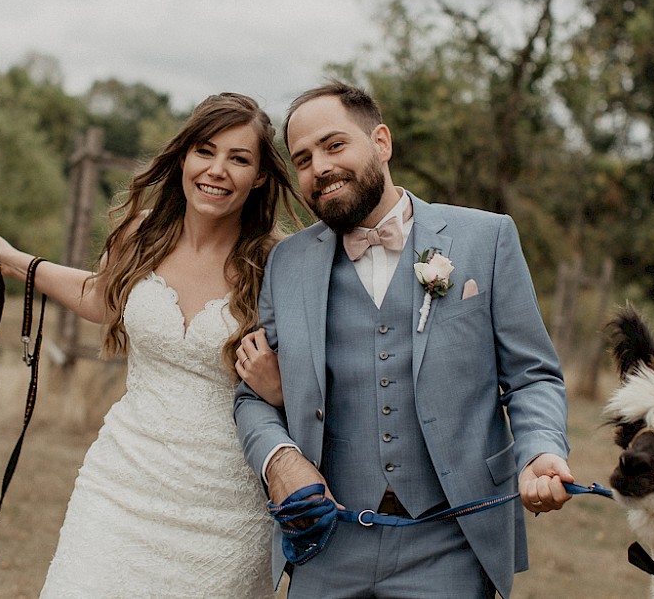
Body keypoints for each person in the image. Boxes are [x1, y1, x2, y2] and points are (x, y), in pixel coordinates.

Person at [233, 81, 573, 599]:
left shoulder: (487, 238)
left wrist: (541, 450)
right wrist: (279, 459)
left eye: (334, 144)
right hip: (326, 542)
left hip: (451, 538)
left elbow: (531, 376)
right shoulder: (288, 262)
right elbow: (250, 396)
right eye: (301, 159)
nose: (319, 167)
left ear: (382, 142)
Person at [0, 92, 298, 598]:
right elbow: (102, 298)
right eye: (205, 151)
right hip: (121, 483)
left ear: (260, 176)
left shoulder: (278, 263)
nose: (217, 170)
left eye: (239, 159)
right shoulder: (142, 232)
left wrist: (280, 392)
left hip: (225, 508)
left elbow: (315, 382)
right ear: (184, 157)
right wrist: (18, 261)